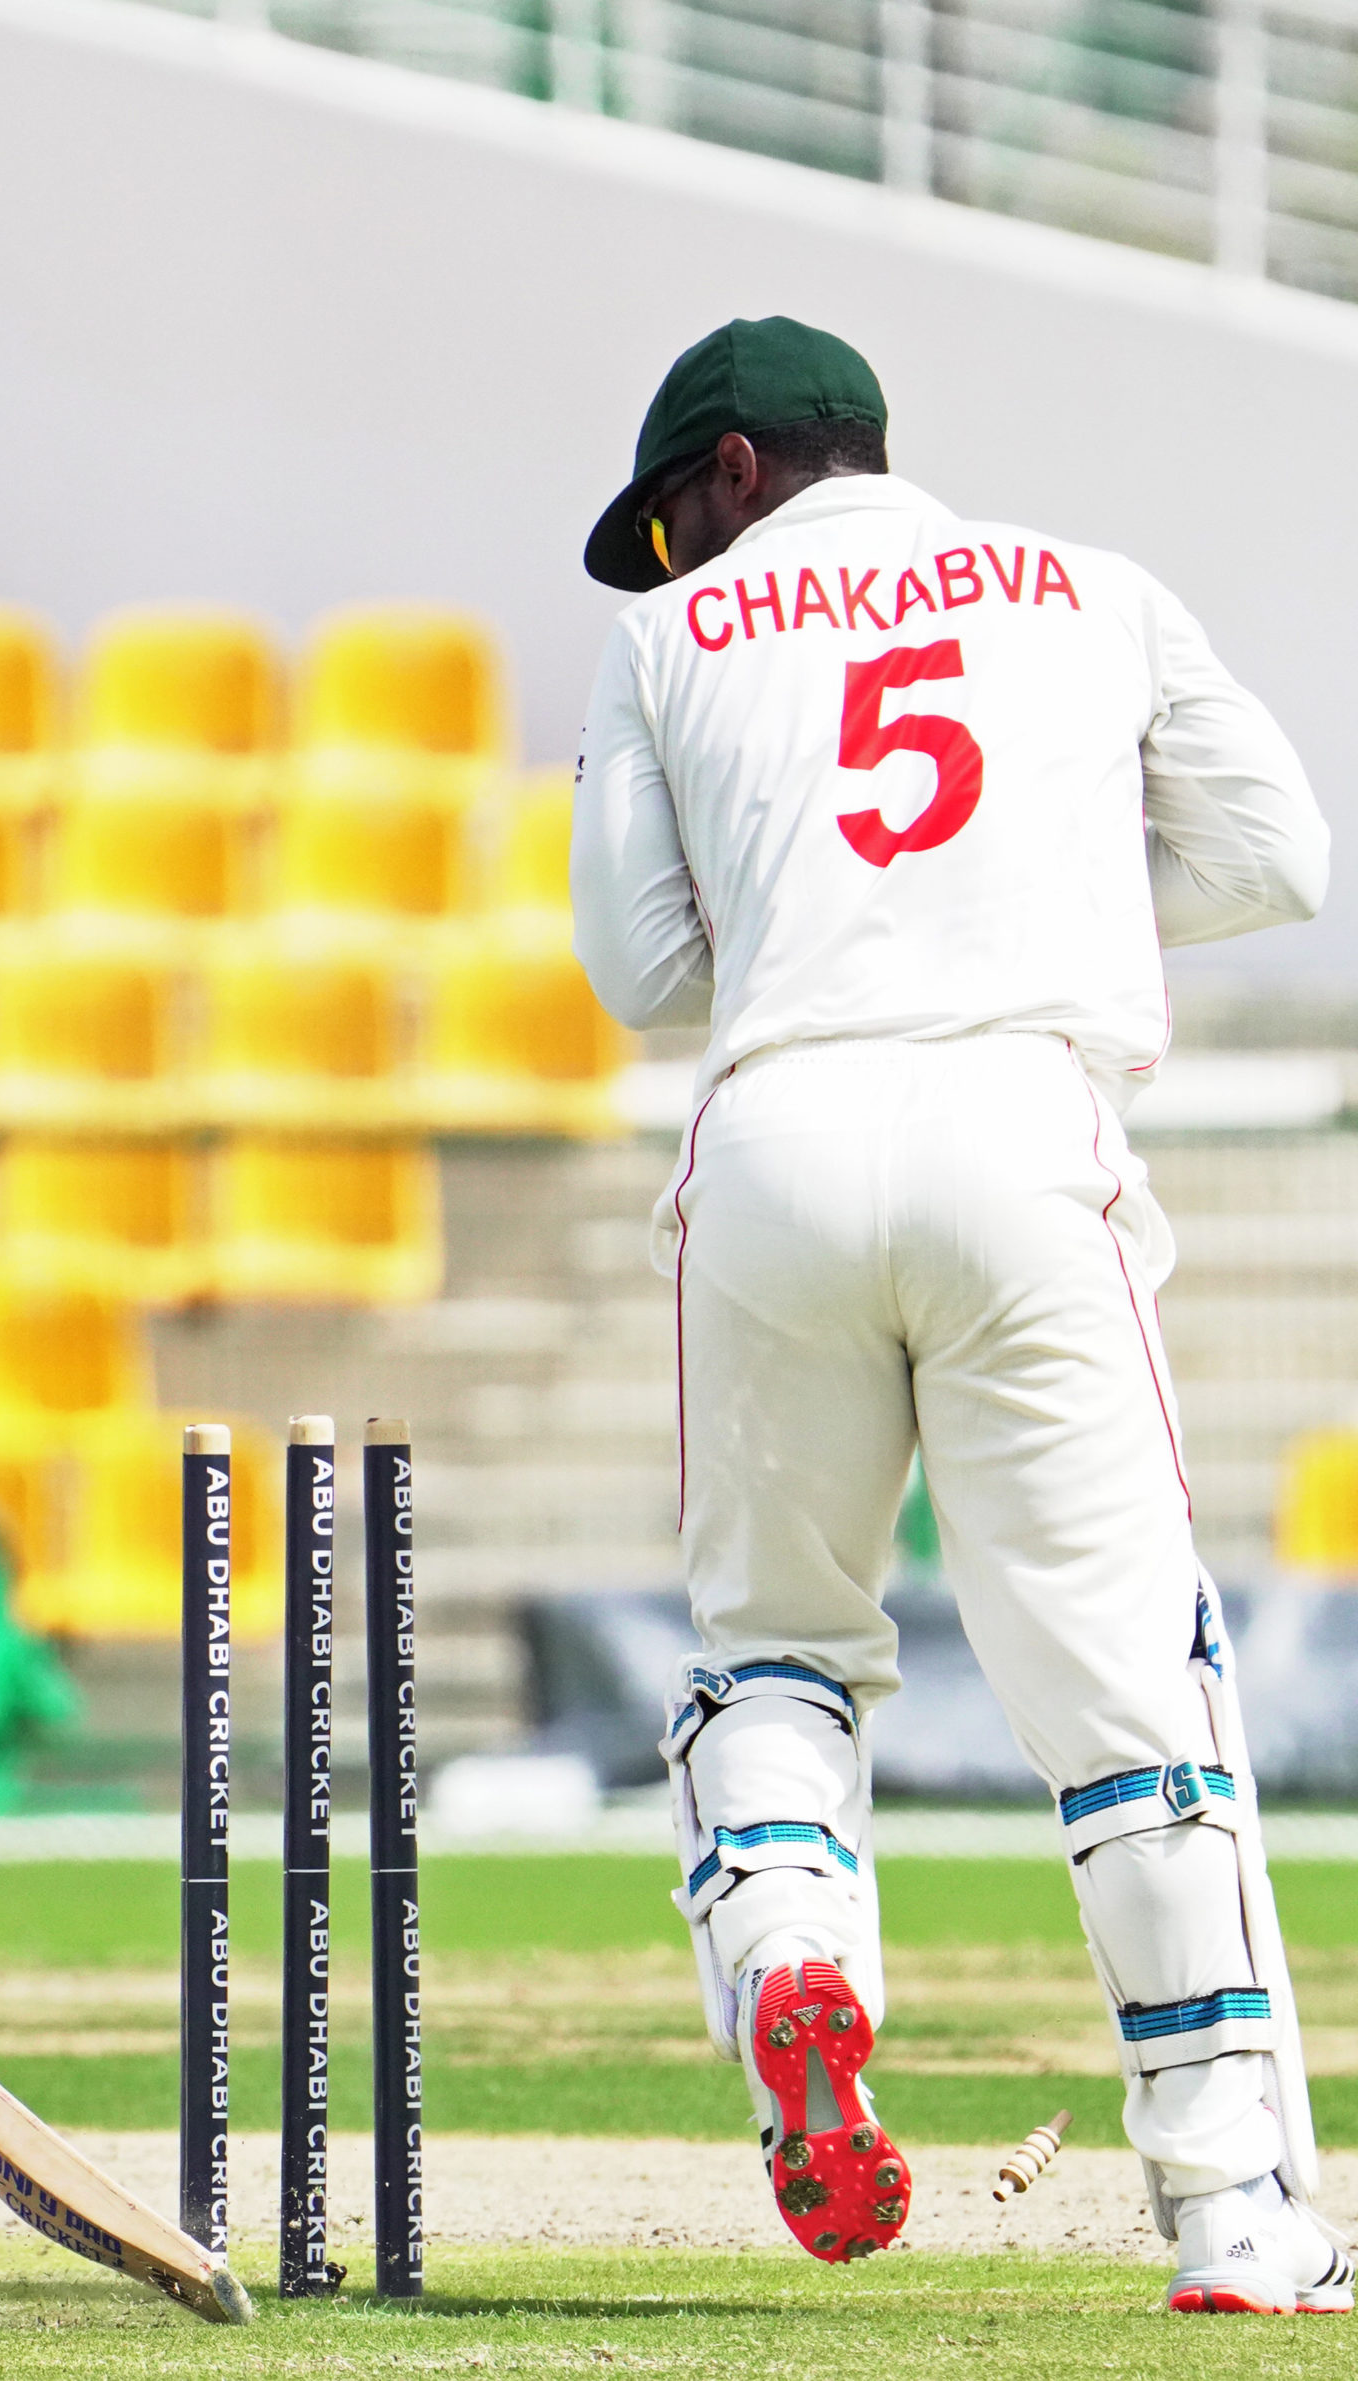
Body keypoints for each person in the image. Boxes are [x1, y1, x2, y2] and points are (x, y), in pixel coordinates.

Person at [571, 316, 1346, 2314]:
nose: (675, 554)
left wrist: (818, 897)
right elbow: (1279, 857)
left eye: (676, 513)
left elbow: (640, 969)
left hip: (778, 1135)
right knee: (1126, 1701)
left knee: (768, 1657)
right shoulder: (1090, 589)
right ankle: (1235, 2217)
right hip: (1023, 1118)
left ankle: (793, 1967)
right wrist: (1042, 888)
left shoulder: (667, 644)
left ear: (735, 470)